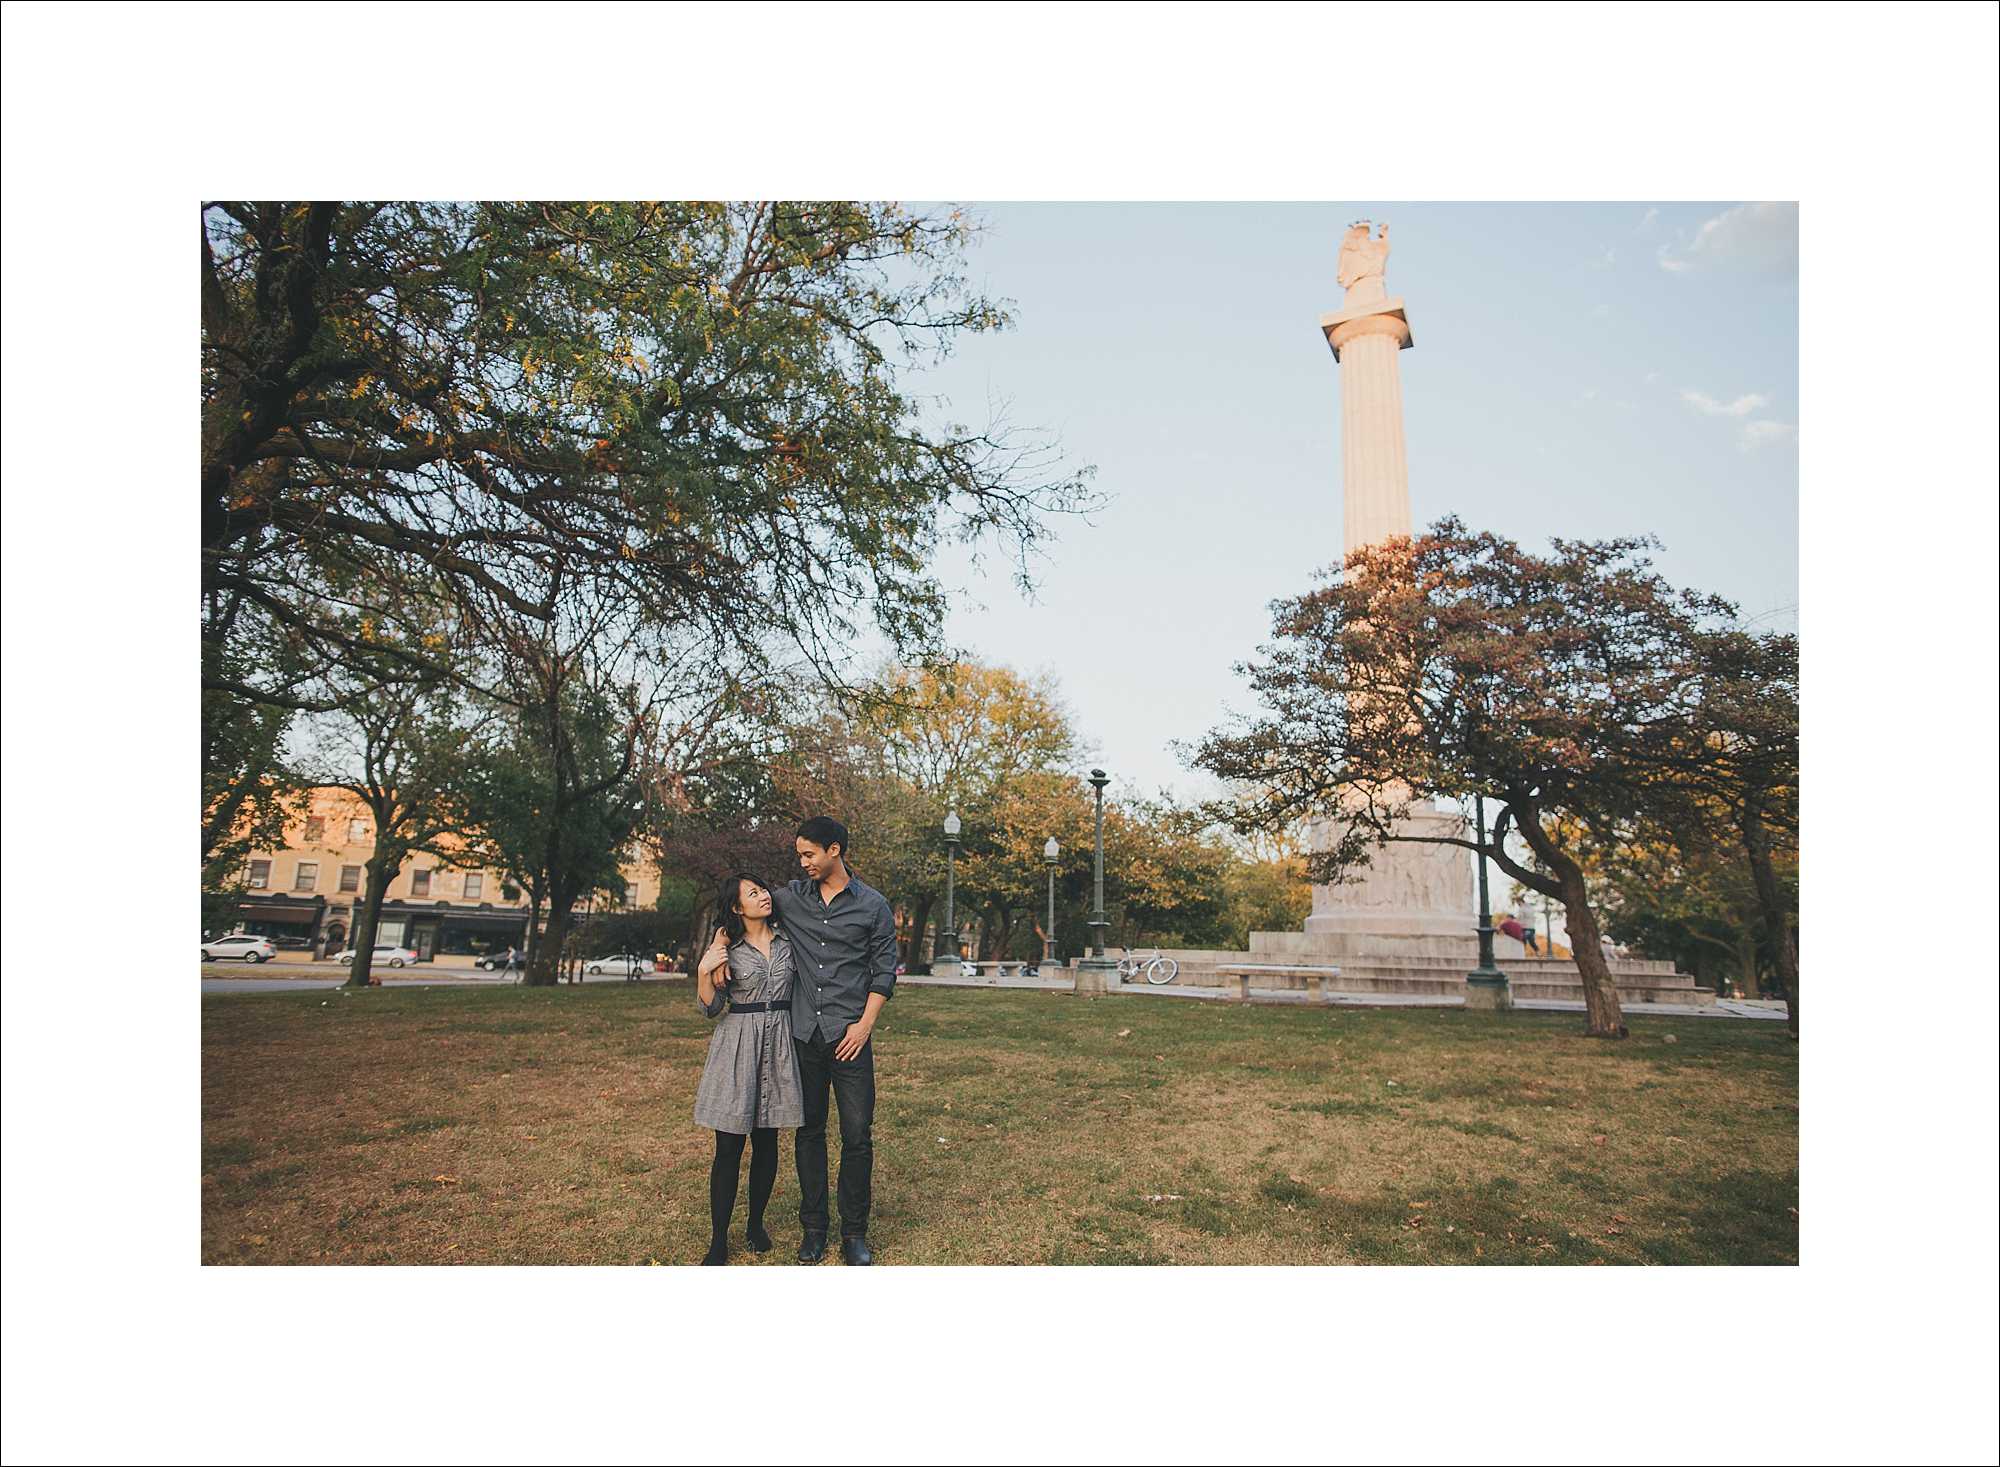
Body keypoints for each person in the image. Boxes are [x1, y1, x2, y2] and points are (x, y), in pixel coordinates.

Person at [769, 815, 897, 1266]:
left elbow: (884, 971)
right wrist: (718, 948)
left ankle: (854, 1234)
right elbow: (744, 905)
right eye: (799, 855)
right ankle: (814, 1230)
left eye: (809, 854)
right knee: (808, 1133)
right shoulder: (790, 899)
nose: (802, 862)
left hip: (851, 1038)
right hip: (804, 1035)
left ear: (834, 851)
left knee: (858, 1135)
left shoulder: (873, 906)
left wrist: (864, 1027)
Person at [693, 873, 804, 1266]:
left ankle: (756, 1224)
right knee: (728, 1148)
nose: (763, 896)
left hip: (778, 1046)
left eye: (762, 890)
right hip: (737, 1047)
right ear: (738, 908)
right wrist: (705, 968)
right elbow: (710, 1008)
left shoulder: (789, 941)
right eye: (752, 894)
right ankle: (718, 1239)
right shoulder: (729, 949)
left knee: (767, 1143)